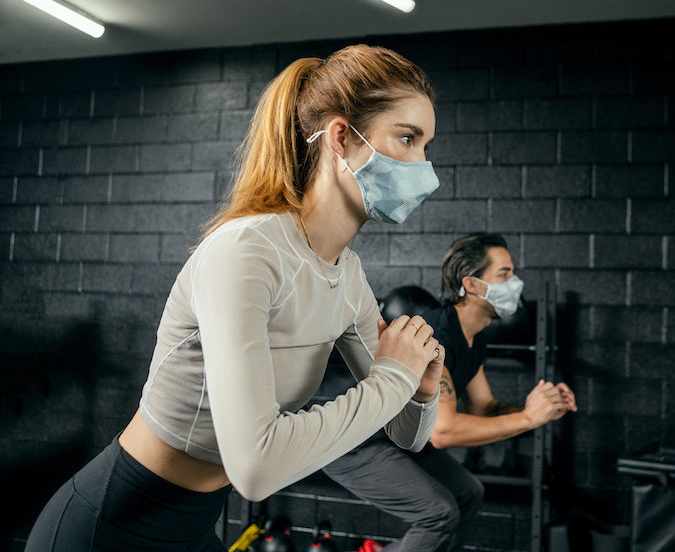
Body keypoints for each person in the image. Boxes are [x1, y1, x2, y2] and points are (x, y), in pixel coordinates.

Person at [25, 44, 446, 551]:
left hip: (197, 525)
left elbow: (406, 434)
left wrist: (419, 391)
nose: (426, 169)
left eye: (426, 145)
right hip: (109, 526)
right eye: (408, 138)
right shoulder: (247, 251)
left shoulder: (347, 274)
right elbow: (255, 468)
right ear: (341, 137)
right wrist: (393, 376)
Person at [323, 232, 577, 552]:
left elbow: (485, 406)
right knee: (438, 513)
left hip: (398, 434)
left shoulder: (474, 336)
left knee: (469, 493)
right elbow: (443, 432)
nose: (516, 283)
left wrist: (543, 407)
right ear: (471, 285)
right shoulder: (437, 335)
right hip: (353, 441)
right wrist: (528, 418)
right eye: (504, 274)